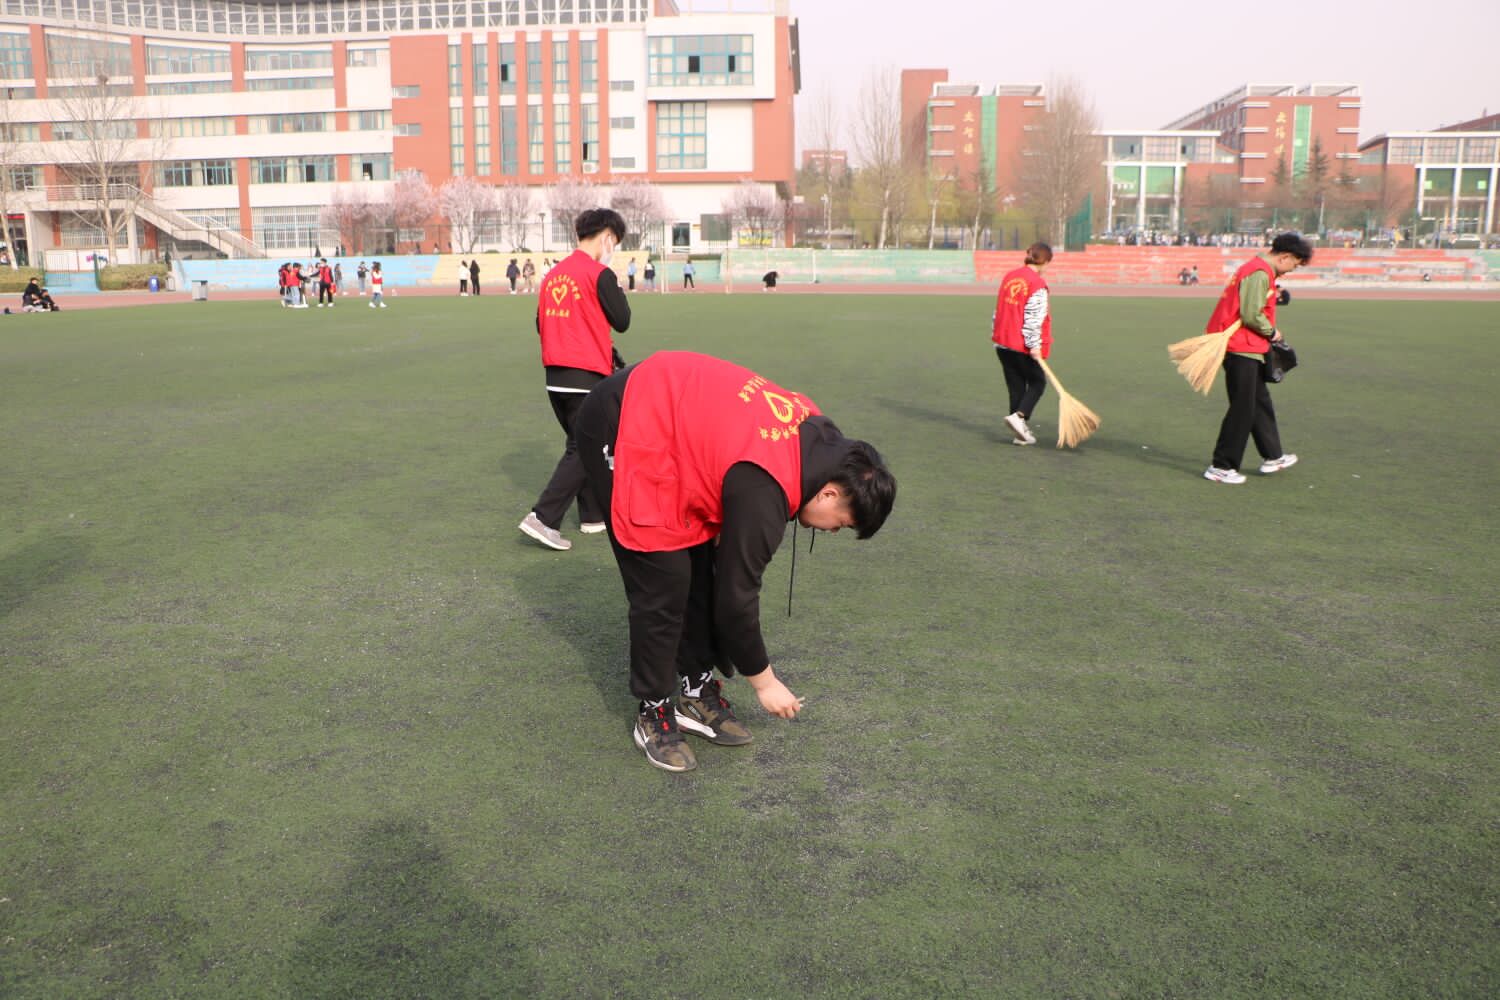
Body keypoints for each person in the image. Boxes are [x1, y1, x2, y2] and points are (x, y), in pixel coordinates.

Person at [574, 350, 898, 772]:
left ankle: (695, 688)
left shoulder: (823, 443)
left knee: (698, 567)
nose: (833, 531)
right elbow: (736, 599)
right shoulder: (766, 486)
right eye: (842, 523)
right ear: (830, 493)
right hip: (623, 416)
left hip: (674, 425)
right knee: (662, 581)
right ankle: (653, 709)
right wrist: (765, 683)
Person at [517, 208, 630, 552]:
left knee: (584, 443)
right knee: (585, 447)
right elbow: (623, 319)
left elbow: (541, 323)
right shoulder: (599, 274)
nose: (613, 249)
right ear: (607, 237)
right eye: (614, 243)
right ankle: (543, 517)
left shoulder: (554, 275)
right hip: (587, 376)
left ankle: (592, 515)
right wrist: (612, 281)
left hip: (555, 377)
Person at [1202, 232, 1313, 485]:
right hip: (1240, 347)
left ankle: (1273, 456)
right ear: (1285, 257)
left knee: (1258, 402)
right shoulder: (1259, 272)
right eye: (1294, 265)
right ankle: (1221, 466)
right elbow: (1251, 314)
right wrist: (1272, 333)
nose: (1291, 271)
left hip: (1247, 347)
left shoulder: (1258, 270)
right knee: (1243, 407)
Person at [990, 242, 1054, 446]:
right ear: (1045, 261)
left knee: (1016, 387)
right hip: (1021, 344)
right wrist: (1034, 345)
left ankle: (1020, 433)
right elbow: (1033, 318)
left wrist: (996, 332)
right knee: (1037, 383)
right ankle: (1020, 417)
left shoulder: (1010, 276)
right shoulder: (1037, 284)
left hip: (1003, 342)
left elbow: (999, 309)